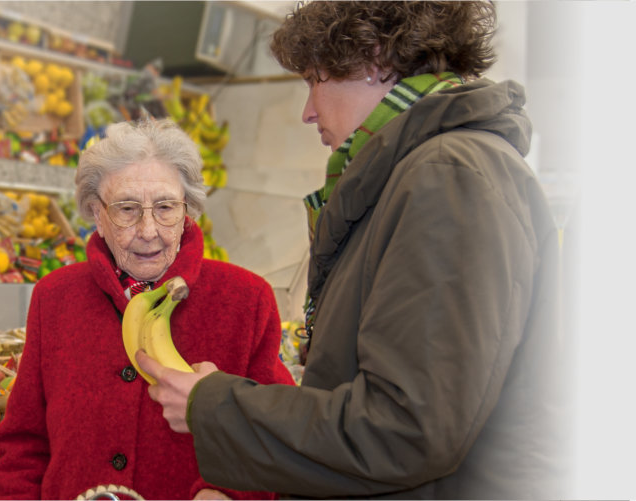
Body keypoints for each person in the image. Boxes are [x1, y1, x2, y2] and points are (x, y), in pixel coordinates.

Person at [140, 2, 569, 499]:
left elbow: (404, 430)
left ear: (374, 58)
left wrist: (215, 405)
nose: (307, 111)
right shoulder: (430, 171)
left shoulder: (447, 177)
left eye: (314, 80)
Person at [0, 119, 296, 500]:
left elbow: (274, 436)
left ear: (189, 212)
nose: (149, 229)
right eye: (127, 209)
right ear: (96, 214)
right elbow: (23, 445)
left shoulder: (246, 299)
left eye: (165, 207)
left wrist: (228, 494)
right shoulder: (55, 297)